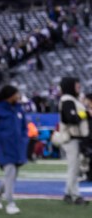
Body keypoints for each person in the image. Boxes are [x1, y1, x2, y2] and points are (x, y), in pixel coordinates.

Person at [0, 84, 26, 215]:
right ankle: (10, 203)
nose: (18, 96)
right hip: (3, 145)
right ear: (10, 96)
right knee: (10, 172)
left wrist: (24, 139)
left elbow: (24, 127)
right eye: (16, 94)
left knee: (13, 175)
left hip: (17, 146)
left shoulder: (19, 109)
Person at [58, 76, 89, 204]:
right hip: (71, 138)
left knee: (74, 167)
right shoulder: (67, 100)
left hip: (74, 138)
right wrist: (86, 113)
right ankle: (74, 194)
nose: (79, 87)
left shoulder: (71, 100)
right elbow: (70, 118)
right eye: (76, 85)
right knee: (74, 168)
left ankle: (68, 193)